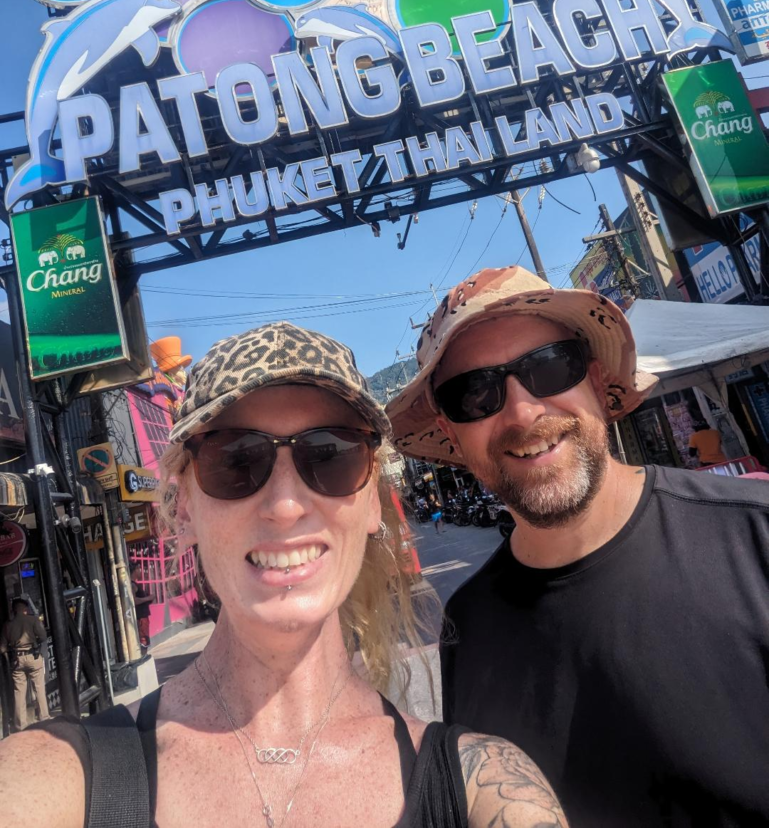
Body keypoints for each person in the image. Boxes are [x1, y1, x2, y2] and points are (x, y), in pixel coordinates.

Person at [0, 322, 567, 828]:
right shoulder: (59, 778)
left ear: (373, 503)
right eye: (236, 460)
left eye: (331, 454)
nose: (286, 505)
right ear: (184, 508)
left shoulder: (484, 789)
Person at [387, 266, 769, 828]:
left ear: (593, 378)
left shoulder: (754, 540)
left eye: (548, 368)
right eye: (475, 394)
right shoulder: (466, 628)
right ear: (450, 433)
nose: (522, 413)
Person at [0, 597, 49, 731]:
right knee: (39, 688)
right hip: (33, 657)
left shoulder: (7, 625)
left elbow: (2, 648)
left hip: (17, 660)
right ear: (25, 609)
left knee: (19, 692)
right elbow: (43, 636)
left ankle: (21, 725)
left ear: (14, 610)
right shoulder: (33, 620)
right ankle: (44, 718)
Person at [130, 564, 153, 652]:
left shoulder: (135, 584)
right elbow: (134, 600)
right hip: (140, 618)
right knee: (143, 641)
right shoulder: (132, 585)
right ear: (135, 570)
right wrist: (148, 598)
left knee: (145, 640)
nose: (140, 571)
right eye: (139, 569)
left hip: (143, 617)